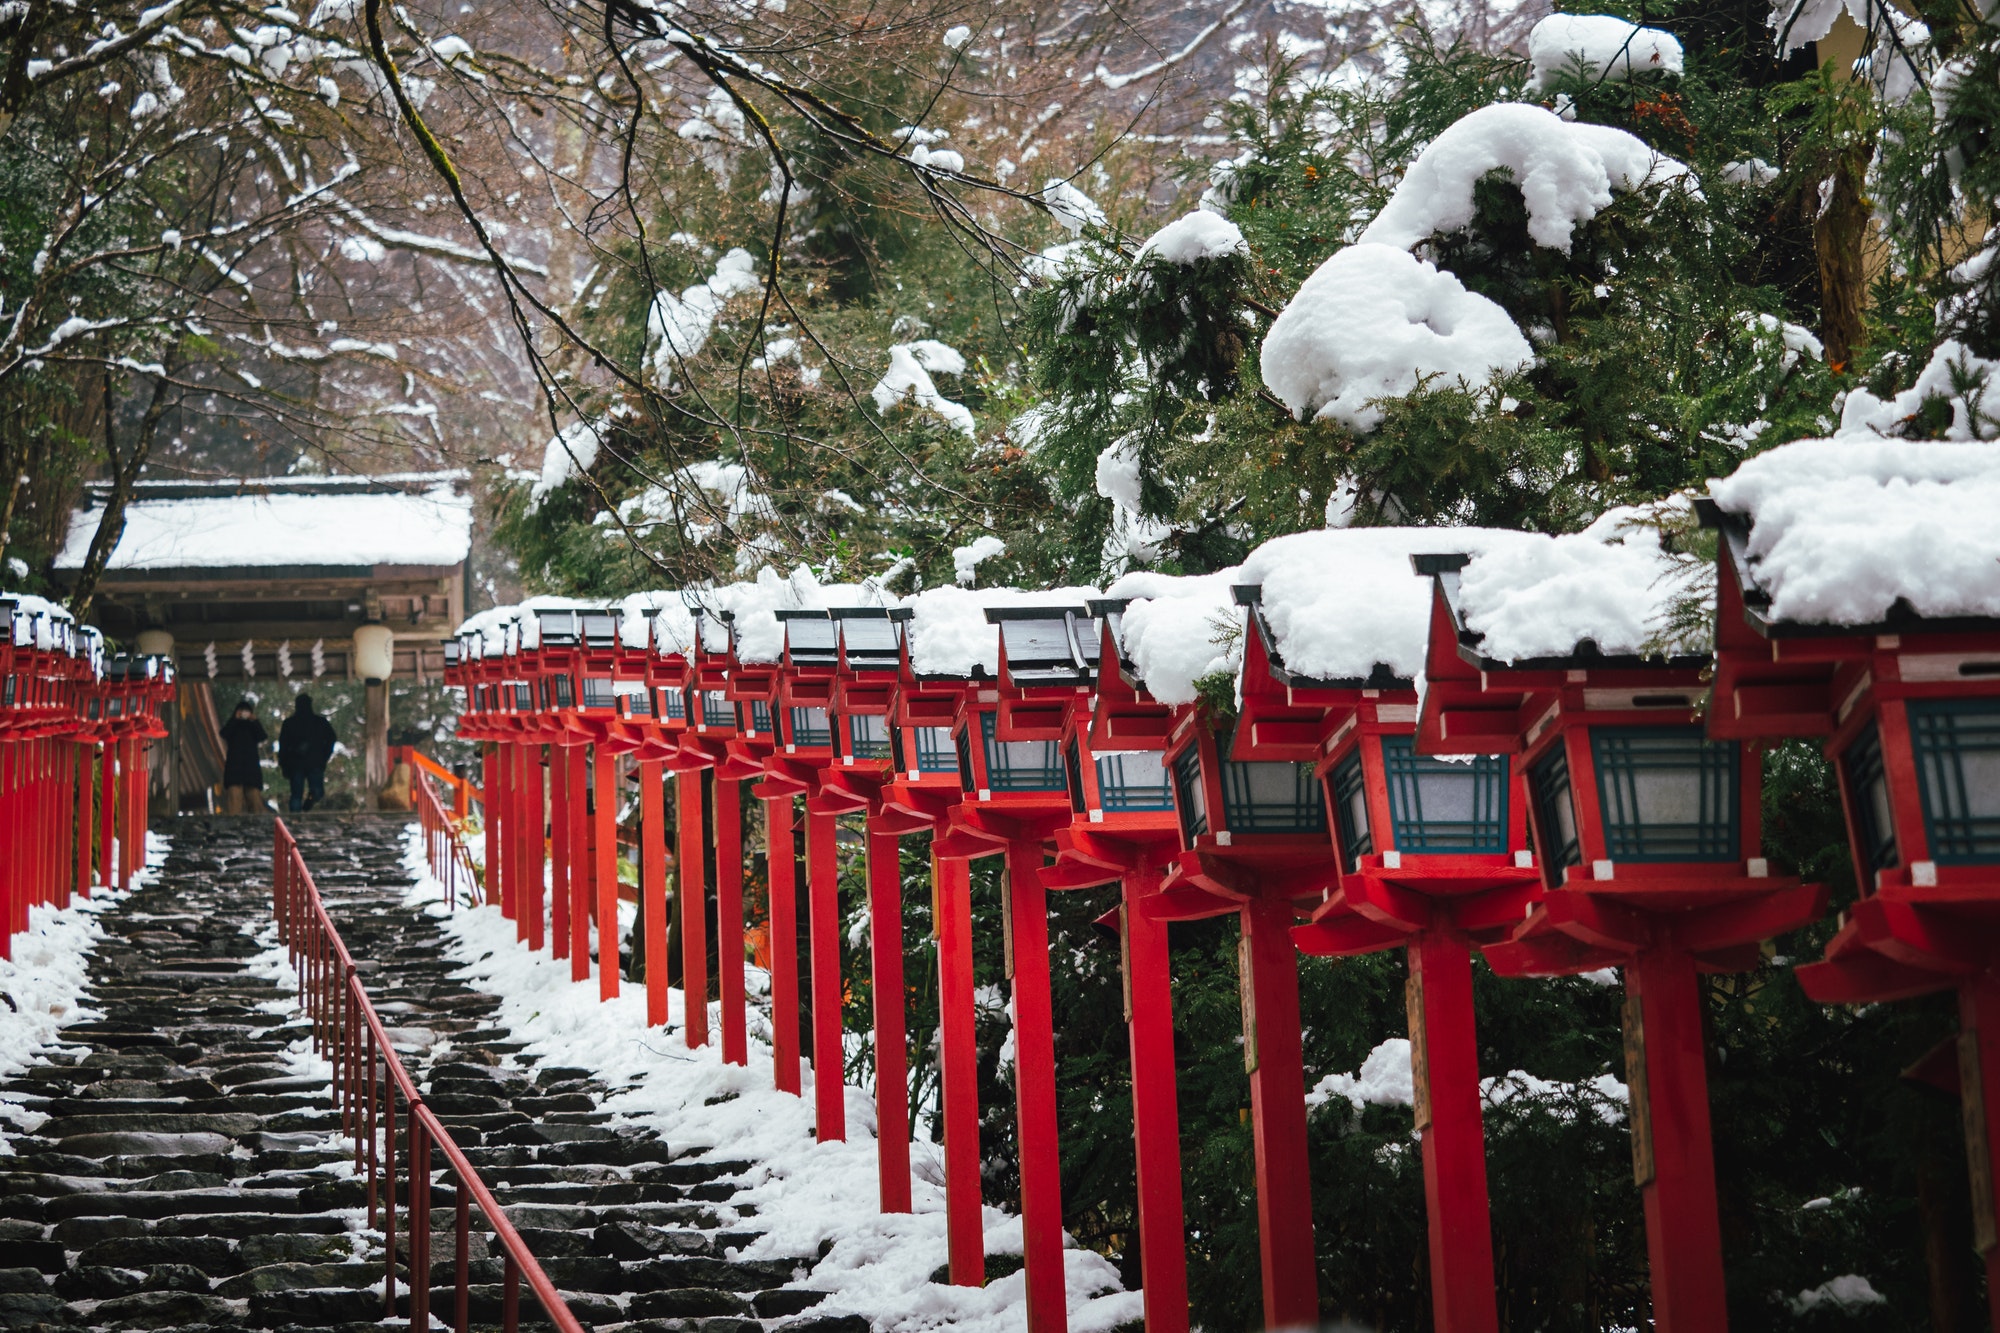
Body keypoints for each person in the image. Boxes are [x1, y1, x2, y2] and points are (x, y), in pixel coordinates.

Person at [278, 693, 338, 812]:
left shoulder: (289, 723)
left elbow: (283, 746)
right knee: (316, 792)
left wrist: (284, 764)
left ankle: (294, 820)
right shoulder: (320, 722)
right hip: (314, 761)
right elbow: (331, 738)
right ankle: (308, 804)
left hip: (296, 762)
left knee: (296, 794)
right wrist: (325, 755)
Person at [218, 699, 268, 814]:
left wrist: (255, 721)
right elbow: (224, 733)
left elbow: (262, 736)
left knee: (255, 802)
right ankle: (234, 827)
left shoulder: (252, 727)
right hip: (235, 769)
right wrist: (235, 719)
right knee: (235, 803)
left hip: (250, 770)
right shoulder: (233, 726)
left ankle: (255, 826)